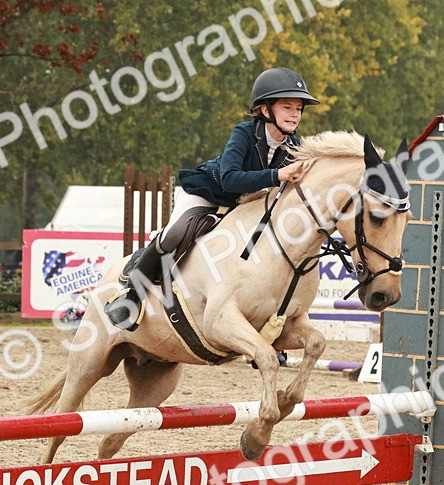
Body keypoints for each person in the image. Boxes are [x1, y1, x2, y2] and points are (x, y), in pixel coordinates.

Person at [104, 67, 320, 330]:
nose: (295, 114)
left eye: (298, 108)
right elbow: (230, 178)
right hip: (210, 194)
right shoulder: (243, 134)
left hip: (247, 208)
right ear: (265, 110)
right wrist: (277, 175)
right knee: (174, 234)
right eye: (287, 107)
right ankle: (131, 296)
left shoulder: (296, 147)